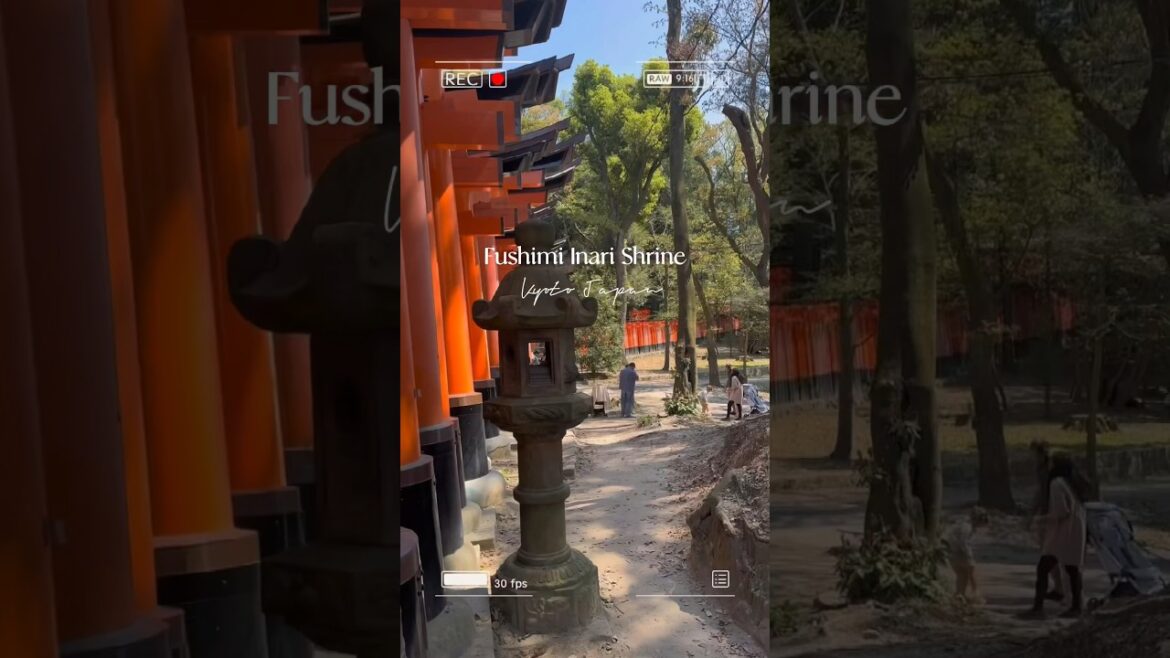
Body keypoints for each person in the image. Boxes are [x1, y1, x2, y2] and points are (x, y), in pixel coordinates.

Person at [1023, 453, 1088, 619]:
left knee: (1044, 567)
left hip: (1063, 531)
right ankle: (1076, 607)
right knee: (1072, 569)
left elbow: (1061, 511)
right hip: (1076, 528)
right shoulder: (1071, 483)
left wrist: (1042, 520)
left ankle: (1038, 609)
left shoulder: (1056, 484)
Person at [1027, 441, 1065, 602]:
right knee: (1050, 552)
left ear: (1040, 453)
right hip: (1048, 513)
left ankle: (1060, 588)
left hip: (1050, 514)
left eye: (1034, 454)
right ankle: (1059, 587)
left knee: (1049, 552)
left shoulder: (1048, 471)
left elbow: (1041, 493)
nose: (1032, 457)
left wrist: (1032, 514)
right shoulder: (1043, 469)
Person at [944, 507, 990, 603]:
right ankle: (976, 595)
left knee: (962, 575)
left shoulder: (962, 524)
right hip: (961, 553)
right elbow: (964, 543)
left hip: (952, 552)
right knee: (972, 574)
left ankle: (959, 594)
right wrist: (969, 556)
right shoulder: (967, 527)